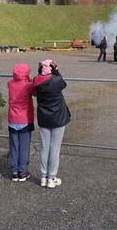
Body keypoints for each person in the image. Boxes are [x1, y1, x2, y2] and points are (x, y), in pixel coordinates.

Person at [33, 59, 71, 189]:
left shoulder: (36, 80)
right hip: (58, 118)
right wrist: (57, 71)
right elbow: (63, 83)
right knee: (55, 149)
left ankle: (43, 177)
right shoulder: (57, 80)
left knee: (44, 148)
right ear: (53, 69)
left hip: (44, 117)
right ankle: (52, 177)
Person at [7, 63, 36, 182]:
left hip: (12, 118)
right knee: (24, 147)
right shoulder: (28, 85)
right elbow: (35, 93)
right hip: (24, 118)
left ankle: (14, 170)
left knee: (14, 146)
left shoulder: (10, 83)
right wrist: (30, 80)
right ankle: (22, 171)